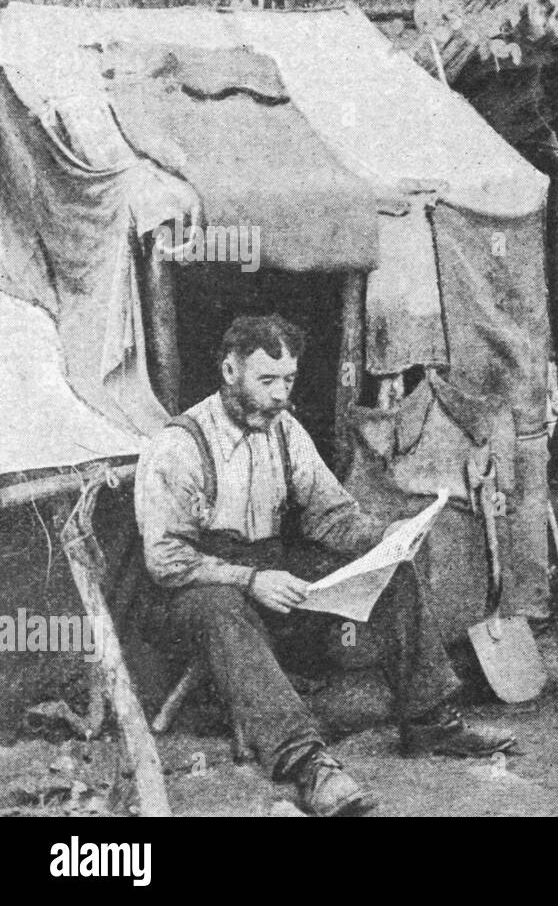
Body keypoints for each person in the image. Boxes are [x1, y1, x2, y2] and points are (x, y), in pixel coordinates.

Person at [134, 315, 515, 816]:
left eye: (287, 381)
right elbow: (165, 560)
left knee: (393, 572)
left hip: (271, 570)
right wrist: (250, 580)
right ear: (229, 370)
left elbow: (331, 516)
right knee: (219, 608)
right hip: (190, 592)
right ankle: (309, 766)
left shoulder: (285, 431)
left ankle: (428, 720)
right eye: (266, 380)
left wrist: (385, 537)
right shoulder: (179, 446)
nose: (279, 394)